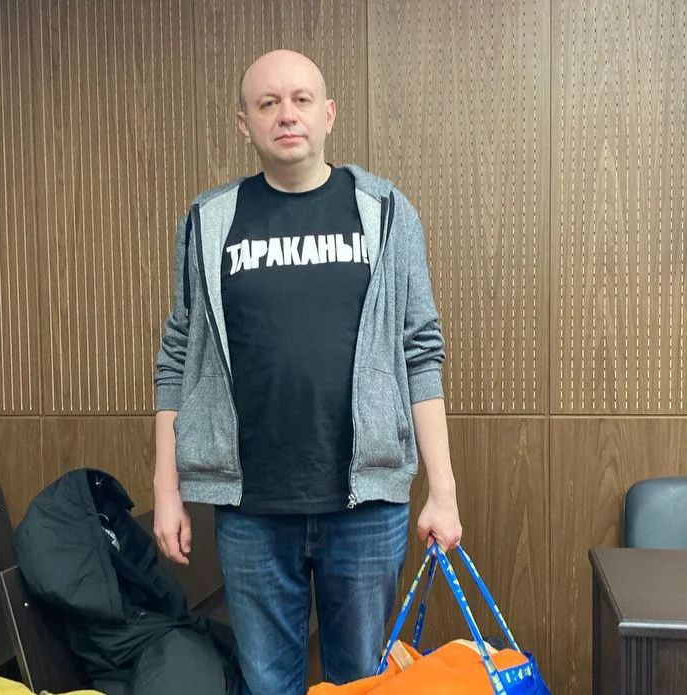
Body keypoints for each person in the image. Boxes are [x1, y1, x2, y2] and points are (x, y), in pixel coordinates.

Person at [152, 48, 462, 695]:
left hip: (367, 504)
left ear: (328, 114)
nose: (286, 114)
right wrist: (166, 488)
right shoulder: (209, 221)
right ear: (244, 123)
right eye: (268, 103)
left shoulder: (384, 210)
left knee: (362, 684)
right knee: (268, 685)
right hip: (251, 508)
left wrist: (443, 490)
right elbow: (179, 353)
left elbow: (420, 349)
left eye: (300, 100)